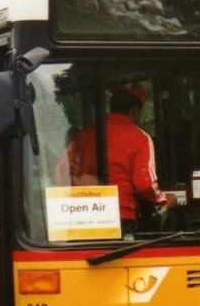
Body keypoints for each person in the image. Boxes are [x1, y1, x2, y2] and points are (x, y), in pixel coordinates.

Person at [61, 85, 174, 235]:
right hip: (121, 216)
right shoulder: (140, 138)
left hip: (80, 214)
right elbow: (145, 184)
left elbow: (61, 174)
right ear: (134, 110)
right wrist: (164, 198)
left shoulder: (82, 135)